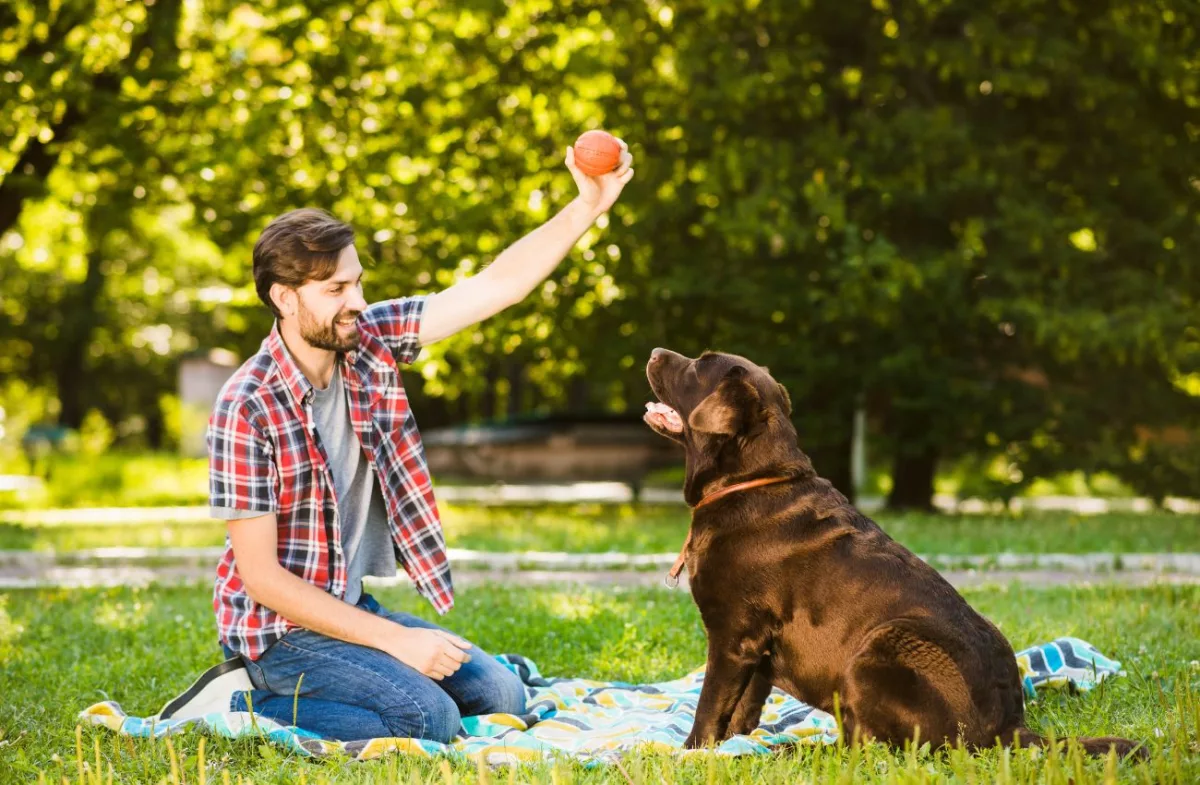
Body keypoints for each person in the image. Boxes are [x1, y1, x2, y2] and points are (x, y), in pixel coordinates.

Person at [157, 142, 635, 742]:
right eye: (335, 289)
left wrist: (587, 206)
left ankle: (380, 673)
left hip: (347, 608)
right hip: (278, 633)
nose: (356, 302)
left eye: (357, 283)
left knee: (500, 694)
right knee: (426, 719)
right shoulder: (246, 406)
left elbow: (497, 287)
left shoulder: (368, 339)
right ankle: (238, 705)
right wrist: (398, 642)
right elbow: (262, 579)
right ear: (284, 297)